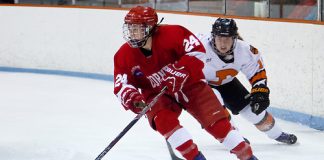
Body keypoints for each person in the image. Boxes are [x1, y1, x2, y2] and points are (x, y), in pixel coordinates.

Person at [113, 6, 258, 160]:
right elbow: (121, 85)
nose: (132, 33)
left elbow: (197, 50)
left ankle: (248, 157)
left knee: (218, 126)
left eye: (137, 28)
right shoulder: (123, 55)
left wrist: (180, 71)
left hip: (191, 84)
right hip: (157, 94)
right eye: (130, 28)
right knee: (164, 121)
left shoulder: (173, 33)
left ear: (150, 28)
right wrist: (132, 98)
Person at [197, 18, 297, 145]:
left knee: (253, 112)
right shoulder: (199, 47)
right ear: (213, 37)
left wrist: (260, 92)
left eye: (227, 39)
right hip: (200, 85)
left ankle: (277, 134)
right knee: (215, 103)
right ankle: (231, 137)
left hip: (228, 83)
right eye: (219, 38)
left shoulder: (245, 50)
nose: (223, 44)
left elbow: (256, 72)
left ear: (235, 38)